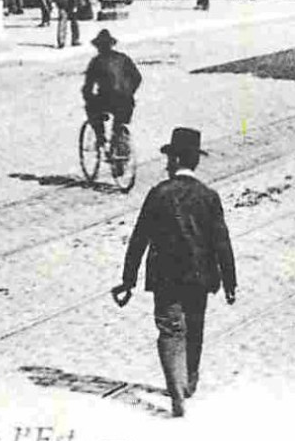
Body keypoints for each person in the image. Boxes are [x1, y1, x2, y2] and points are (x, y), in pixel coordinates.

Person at [117, 128, 237, 417]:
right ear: (194, 162)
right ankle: (189, 383)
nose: (167, 165)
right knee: (194, 330)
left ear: (175, 160)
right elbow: (222, 242)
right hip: (200, 278)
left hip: (165, 278)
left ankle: (176, 391)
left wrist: (128, 280)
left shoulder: (158, 194)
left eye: (170, 159)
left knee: (170, 331)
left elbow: (139, 239)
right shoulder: (208, 196)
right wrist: (230, 281)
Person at [83, 28, 142, 156]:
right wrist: (130, 92)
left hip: (106, 101)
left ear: (98, 47)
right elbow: (137, 77)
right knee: (119, 125)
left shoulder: (96, 62)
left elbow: (88, 87)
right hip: (126, 101)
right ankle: (119, 146)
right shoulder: (123, 58)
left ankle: (100, 137)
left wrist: (89, 99)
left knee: (91, 108)